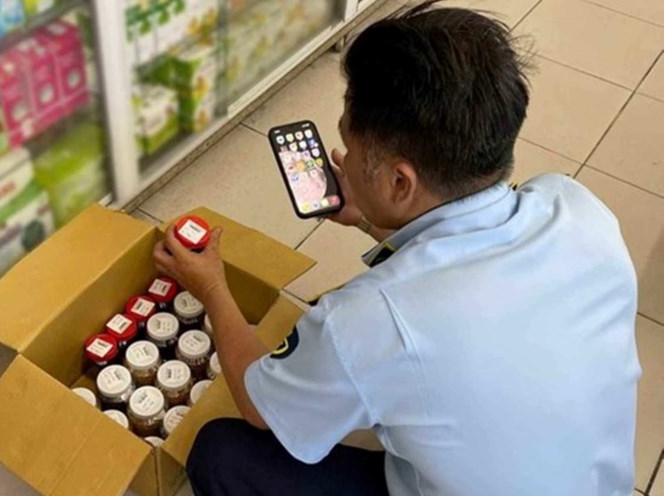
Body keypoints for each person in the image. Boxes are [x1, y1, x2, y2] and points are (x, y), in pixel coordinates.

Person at [152, 2, 640, 495]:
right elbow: (459, 251)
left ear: (400, 181)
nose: (342, 154)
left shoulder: (368, 322)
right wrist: (367, 215)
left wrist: (211, 285)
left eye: (350, 142)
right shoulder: (577, 209)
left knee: (221, 452)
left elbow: (261, 409)